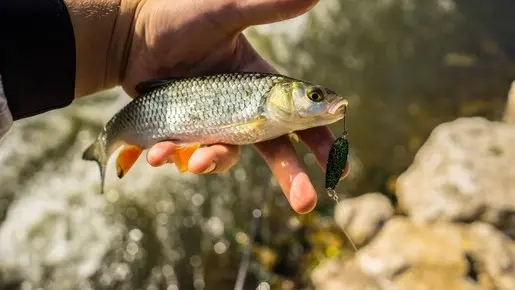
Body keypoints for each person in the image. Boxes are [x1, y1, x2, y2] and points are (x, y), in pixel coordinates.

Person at [0, 0, 349, 214]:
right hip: (143, 109)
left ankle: (111, 148)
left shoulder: (270, 115)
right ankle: (107, 149)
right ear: (280, 95)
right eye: (314, 97)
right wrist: (125, 31)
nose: (321, 101)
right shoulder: (265, 113)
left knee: (187, 155)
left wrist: (129, 30)